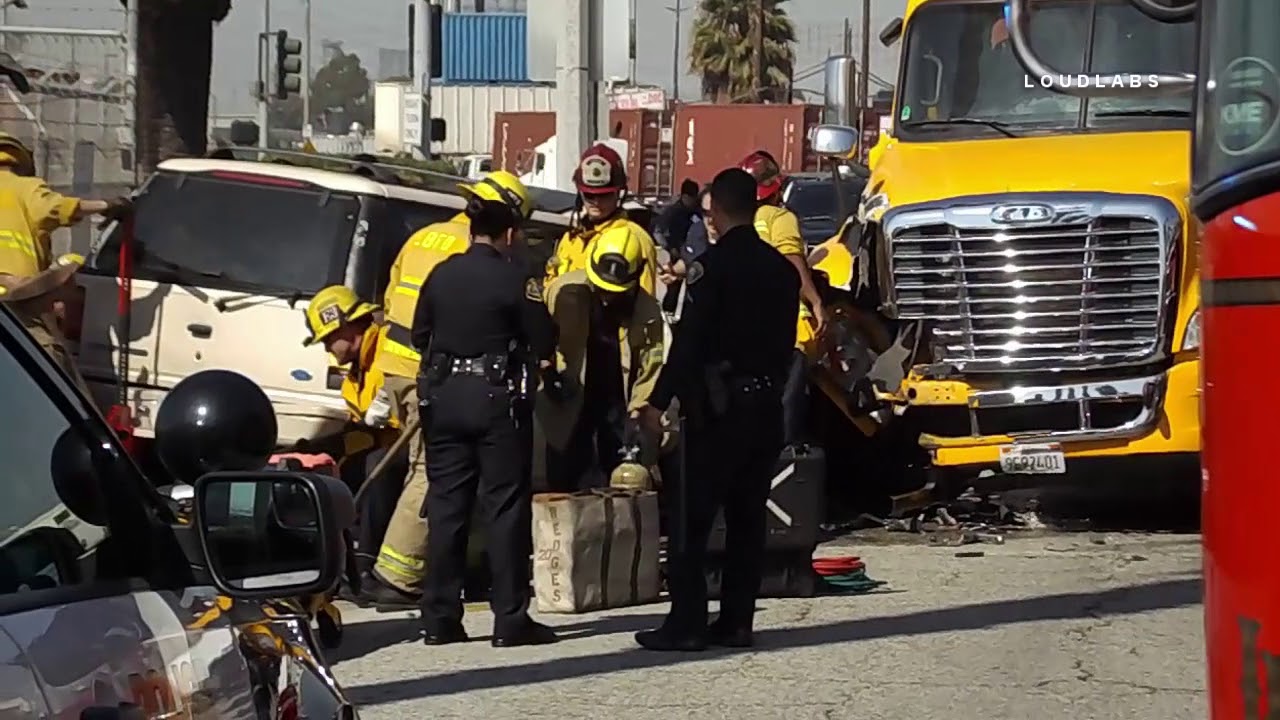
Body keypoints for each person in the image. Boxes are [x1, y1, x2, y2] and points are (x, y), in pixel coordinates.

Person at [632, 167, 800, 652]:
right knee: (748, 519)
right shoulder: (782, 271)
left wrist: (657, 402)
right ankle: (737, 622)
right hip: (766, 406)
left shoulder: (713, 266)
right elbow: (785, 344)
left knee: (693, 518)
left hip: (719, 411)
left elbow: (689, 343)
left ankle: (686, 624)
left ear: (718, 211)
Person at [367, 169, 534, 606]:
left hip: (400, 365)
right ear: (510, 223)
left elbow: (391, 301)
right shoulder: (477, 256)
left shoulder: (425, 237)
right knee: (433, 478)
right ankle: (396, 573)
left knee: (425, 470)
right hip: (446, 375)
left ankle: (434, 595)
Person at [412, 186, 563, 648]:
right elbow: (543, 336)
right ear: (510, 234)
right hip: (497, 400)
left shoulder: (440, 275)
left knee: (447, 507)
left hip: (444, 399)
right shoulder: (516, 278)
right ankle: (510, 618)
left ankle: (440, 617)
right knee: (503, 507)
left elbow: (421, 334)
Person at [538, 224, 665, 492]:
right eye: (601, 289)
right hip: (569, 399)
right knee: (563, 481)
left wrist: (639, 410)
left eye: (615, 292)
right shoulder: (563, 292)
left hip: (617, 405)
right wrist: (547, 372)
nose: (606, 299)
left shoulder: (647, 312)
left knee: (620, 484)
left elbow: (650, 366)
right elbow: (539, 338)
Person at [0, 132, 128, 387]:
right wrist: (107, 205)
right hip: (18, 308)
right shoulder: (23, 187)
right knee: (44, 380)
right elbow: (56, 208)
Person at [300, 285, 406, 586]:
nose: (326, 349)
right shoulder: (356, 375)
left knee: (378, 467)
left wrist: (387, 400)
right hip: (388, 444)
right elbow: (363, 431)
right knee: (334, 469)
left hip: (419, 444)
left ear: (347, 327)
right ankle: (340, 555)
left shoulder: (387, 348)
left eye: (329, 339)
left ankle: (367, 563)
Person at [740, 150, 828, 446]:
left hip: (745, 330)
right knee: (786, 410)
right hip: (786, 330)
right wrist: (816, 302)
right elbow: (793, 262)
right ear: (777, 188)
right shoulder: (781, 218)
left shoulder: (738, 223)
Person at [544, 143, 660, 295]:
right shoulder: (570, 239)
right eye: (590, 195)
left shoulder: (636, 240)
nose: (597, 202)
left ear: (619, 193)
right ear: (580, 194)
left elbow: (645, 307)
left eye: (604, 195)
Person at [653, 178, 701, 254]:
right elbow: (658, 232)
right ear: (685, 196)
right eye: (693, 198)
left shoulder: (697, 212)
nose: (694, 201)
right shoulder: (672, 212)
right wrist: (669, 248)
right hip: (676, 253)